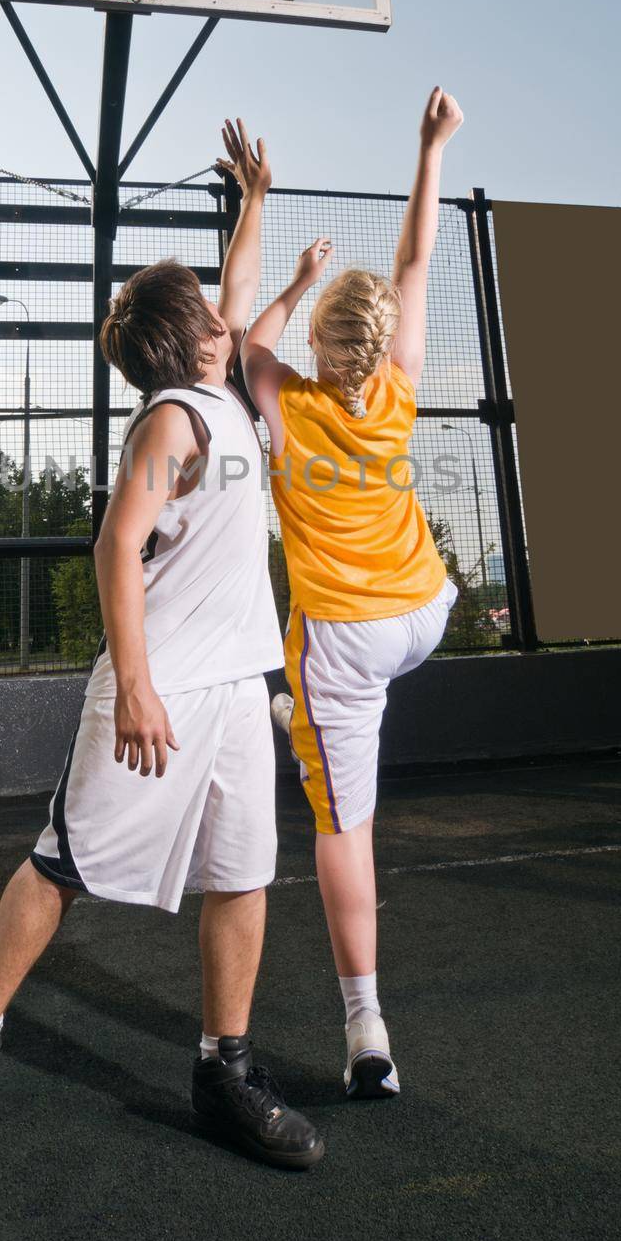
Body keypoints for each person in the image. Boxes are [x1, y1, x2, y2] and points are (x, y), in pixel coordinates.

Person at [0, 119, 325, 1183]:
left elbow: (244, 288)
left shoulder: (220, 396)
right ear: (194, 341)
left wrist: (258, 203)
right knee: (58, 867)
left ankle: (222, 1070)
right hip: (159, 691)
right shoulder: (174, 422)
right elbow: (114, 543)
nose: (229, 315)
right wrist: (132, 685)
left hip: (231, 690)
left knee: (242, 876)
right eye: (212, 315)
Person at [240, 86, 464, 1098]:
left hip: (347, 642)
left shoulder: (284, 407)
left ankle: (366, 1024)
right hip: (428, 609)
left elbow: (242, 333)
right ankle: (306, 719)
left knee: (341, 826)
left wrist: (288, 272)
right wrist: (430, 148)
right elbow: (415, 262)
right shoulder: (399, 384)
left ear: (322, 351)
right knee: (331, 721)